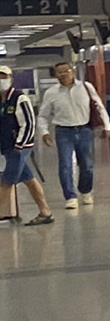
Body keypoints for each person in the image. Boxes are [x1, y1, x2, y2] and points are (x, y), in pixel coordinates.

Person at [38, 61, 108, 211]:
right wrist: (44, 132)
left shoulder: (86, 87)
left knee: (87, 164)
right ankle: (70, 196)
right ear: (55, 75)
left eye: (66, 71)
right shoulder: (51, 93)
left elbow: (99, 106)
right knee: (65, 165)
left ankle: (85, 191)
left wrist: (107, 126)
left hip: (84, 130)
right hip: (63, 132)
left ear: (73, 72)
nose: (63, 75)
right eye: (59, 72)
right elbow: (42, 115)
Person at [0, 65, 56, 226]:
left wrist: (20, 145)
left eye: (4, 77)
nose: (1, 80)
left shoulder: (19, 98)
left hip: (19, 147)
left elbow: (29, 123)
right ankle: (45, 211)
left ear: (11, 79)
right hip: (7, 147)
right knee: (28, 179)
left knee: (6, 182)